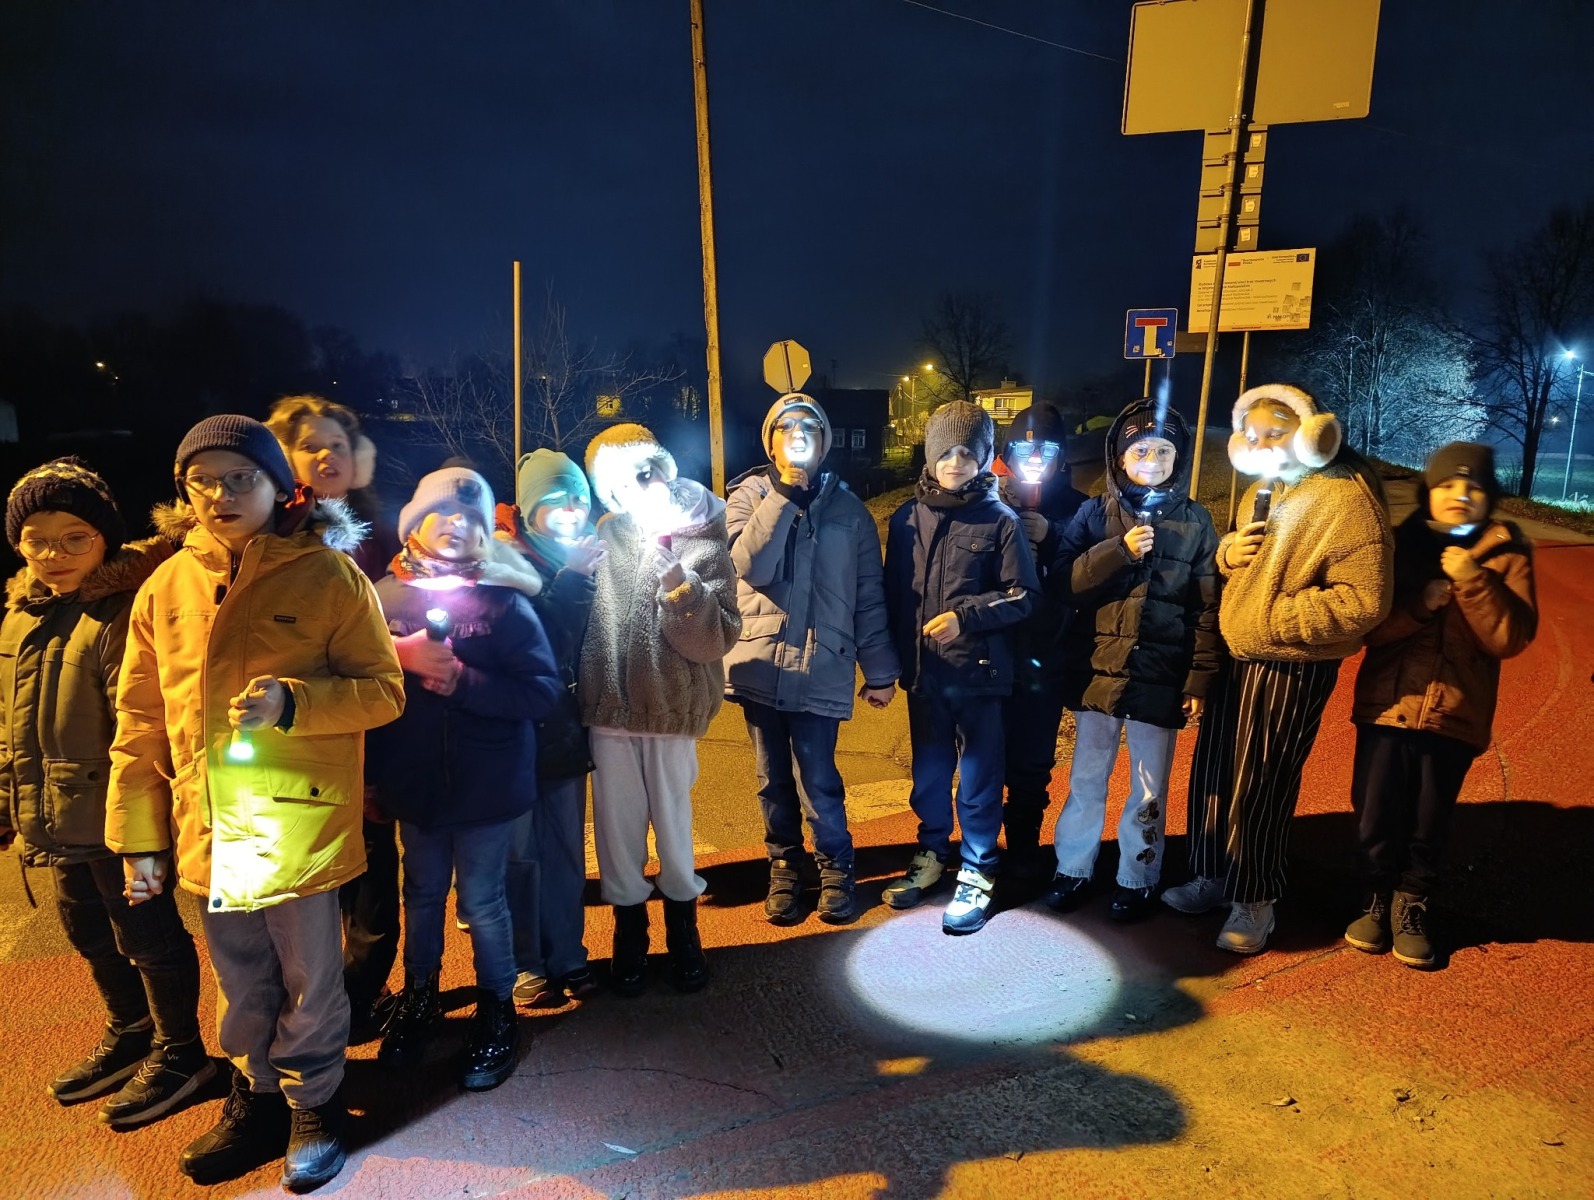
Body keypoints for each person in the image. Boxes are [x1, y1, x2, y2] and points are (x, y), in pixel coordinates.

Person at [106, 415, 404, 1191]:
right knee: (239, 977)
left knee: (310, 975)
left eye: (241, 477)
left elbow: (383, 690)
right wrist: (138, 837)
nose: (221, 495)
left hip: (298, 823)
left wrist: (294, 702)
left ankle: (314, 1103)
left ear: (278, 485)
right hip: (206, 825)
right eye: (202, 482)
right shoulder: (164, 588)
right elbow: (139, 723)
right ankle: (258, 1097)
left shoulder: (328, 575)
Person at [0, 459, 213, 1129]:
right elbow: (12, 724)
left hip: (117, 817)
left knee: (147, 935)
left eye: (75, 538)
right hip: (55, 817)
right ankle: (130, 1030)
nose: (53, 555)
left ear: (105, 538)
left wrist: (147, 825)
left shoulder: (122, 611)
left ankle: (181, 1051)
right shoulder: (20, 616)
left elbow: (144, 723)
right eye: (36, 539)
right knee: (87, 931)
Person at [1165, 384, 1392, 955]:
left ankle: (1256, 898)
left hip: (1290, 664)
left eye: (1276, 432)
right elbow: (1247, 564)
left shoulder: (1345, 498)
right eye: (1253, 434)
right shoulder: (1262, 491)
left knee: (1261, 782)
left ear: (1313, 433)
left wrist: (1269, 620)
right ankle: (1211, 874)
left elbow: (1364, 601)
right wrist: (1227, 554)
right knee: (1215, 770)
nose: (1261, 443)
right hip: (1237, 657)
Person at [367, 466, 561, 1089]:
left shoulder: (504, 603)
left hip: (486, 789)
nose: (457, 525)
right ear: (414, 524)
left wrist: (465, 683)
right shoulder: (383, 599)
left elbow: (541, 691)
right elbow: (363, 695)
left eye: (472, 519)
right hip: (415, 786)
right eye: (444, 513)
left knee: (482, 900)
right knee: (421, 894)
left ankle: (497, 1007)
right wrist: (372, 779)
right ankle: (419, 995)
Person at [1346, 442, 1536, 968]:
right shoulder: (1399, 544)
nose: (1460, 495)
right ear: (1428, 491)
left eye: (1473, 487)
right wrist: (1419, 606)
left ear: (1489, 496)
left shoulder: (1508, 552)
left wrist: (1474, 581)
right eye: (1448, 484)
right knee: (1375, 811)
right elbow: (1369, 628)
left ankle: (1412, 903)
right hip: (1389, 704)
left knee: (1429, 819)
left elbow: (1509, 637)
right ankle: (1373, 898)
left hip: (1455, 712)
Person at [724, 393, 899, 926]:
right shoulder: (746, 498)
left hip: (823, 664)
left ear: (824, 444)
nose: (797, 435)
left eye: (810, 428)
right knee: (771, 779)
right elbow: (749, 566)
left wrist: (881, 670)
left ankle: (835, 867)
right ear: (770, 442)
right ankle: (783, 867)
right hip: (762, 664)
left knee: (819, 779)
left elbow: (868, 595)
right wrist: (782, 494)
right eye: (786, 427)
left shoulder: (850, 512)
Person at [1042, 401, 1219, 921]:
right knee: (1087, 776)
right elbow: (1064, 584)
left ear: (1178, 458)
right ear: (1119, 458)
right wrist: (1118, 551)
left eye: (1164, 451)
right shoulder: (1094, 514)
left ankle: (1138, 876)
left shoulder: (1196, 520)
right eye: (1140, 450)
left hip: (1160, 675)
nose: (1152, 460)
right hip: (1098, 669)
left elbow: (1206, 608)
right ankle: (1072, 868)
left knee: (1148, 785)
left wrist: (1198, 680)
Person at [579, 423, 740, 995]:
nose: (639, 485)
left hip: (671, 708)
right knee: (616, 830)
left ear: (664, 468)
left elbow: (715, 639)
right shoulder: (606, 533)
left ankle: (683, 930)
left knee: (673, 826)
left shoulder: (701, 529)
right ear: (610, 490)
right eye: (623, 480)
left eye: (646, 470)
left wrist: (681, 586)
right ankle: (629, 931)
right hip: (609, 710)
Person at [266, 394, 401, 1042]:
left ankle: (359, 999)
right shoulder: (268, 543)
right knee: (307, 895)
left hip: (373, 738)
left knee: (373, 883)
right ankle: (313, 1011)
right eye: (309, 446)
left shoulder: (381, 535)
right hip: (296, 745)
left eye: (338, 445)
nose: (326, 456)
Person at [882, 400, 1039, 935]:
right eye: (945, 452)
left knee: (978, 778)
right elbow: (894, 597)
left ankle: (977, 867)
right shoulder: (905, 518)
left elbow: (1023, 595)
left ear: (985, 457)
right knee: (928, 775)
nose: (956, 463)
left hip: (978, 677)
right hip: (925, 678)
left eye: (968, 454)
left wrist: (965, 617)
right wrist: (888, 665)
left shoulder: (1001, 520)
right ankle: (932, 852)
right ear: (929, 456)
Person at [496, 449, 606, 1005]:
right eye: (556, 498)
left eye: (578, 499)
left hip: (562, 734)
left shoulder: (585, 559)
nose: (570, 509)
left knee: (564, 853)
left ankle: (568, 954)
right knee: (518, 856)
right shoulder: (502, 560)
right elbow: (537, 649)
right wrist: (572, 581)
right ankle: (525, 963)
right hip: (511, 739)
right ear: (530, 506)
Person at [994, 403, 1088, 882]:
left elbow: (1086, 576)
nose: (1035, 459)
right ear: (1007, 453)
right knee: (984, 761)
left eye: (1046, 450)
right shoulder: (988, 500)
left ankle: (1024, 850)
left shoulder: (1079, 508)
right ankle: (979, 851)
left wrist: (1052, 537)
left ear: (1061, 456)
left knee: (1032, 764)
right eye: (1024, 449)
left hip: (1045, 657)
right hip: (992, 658)